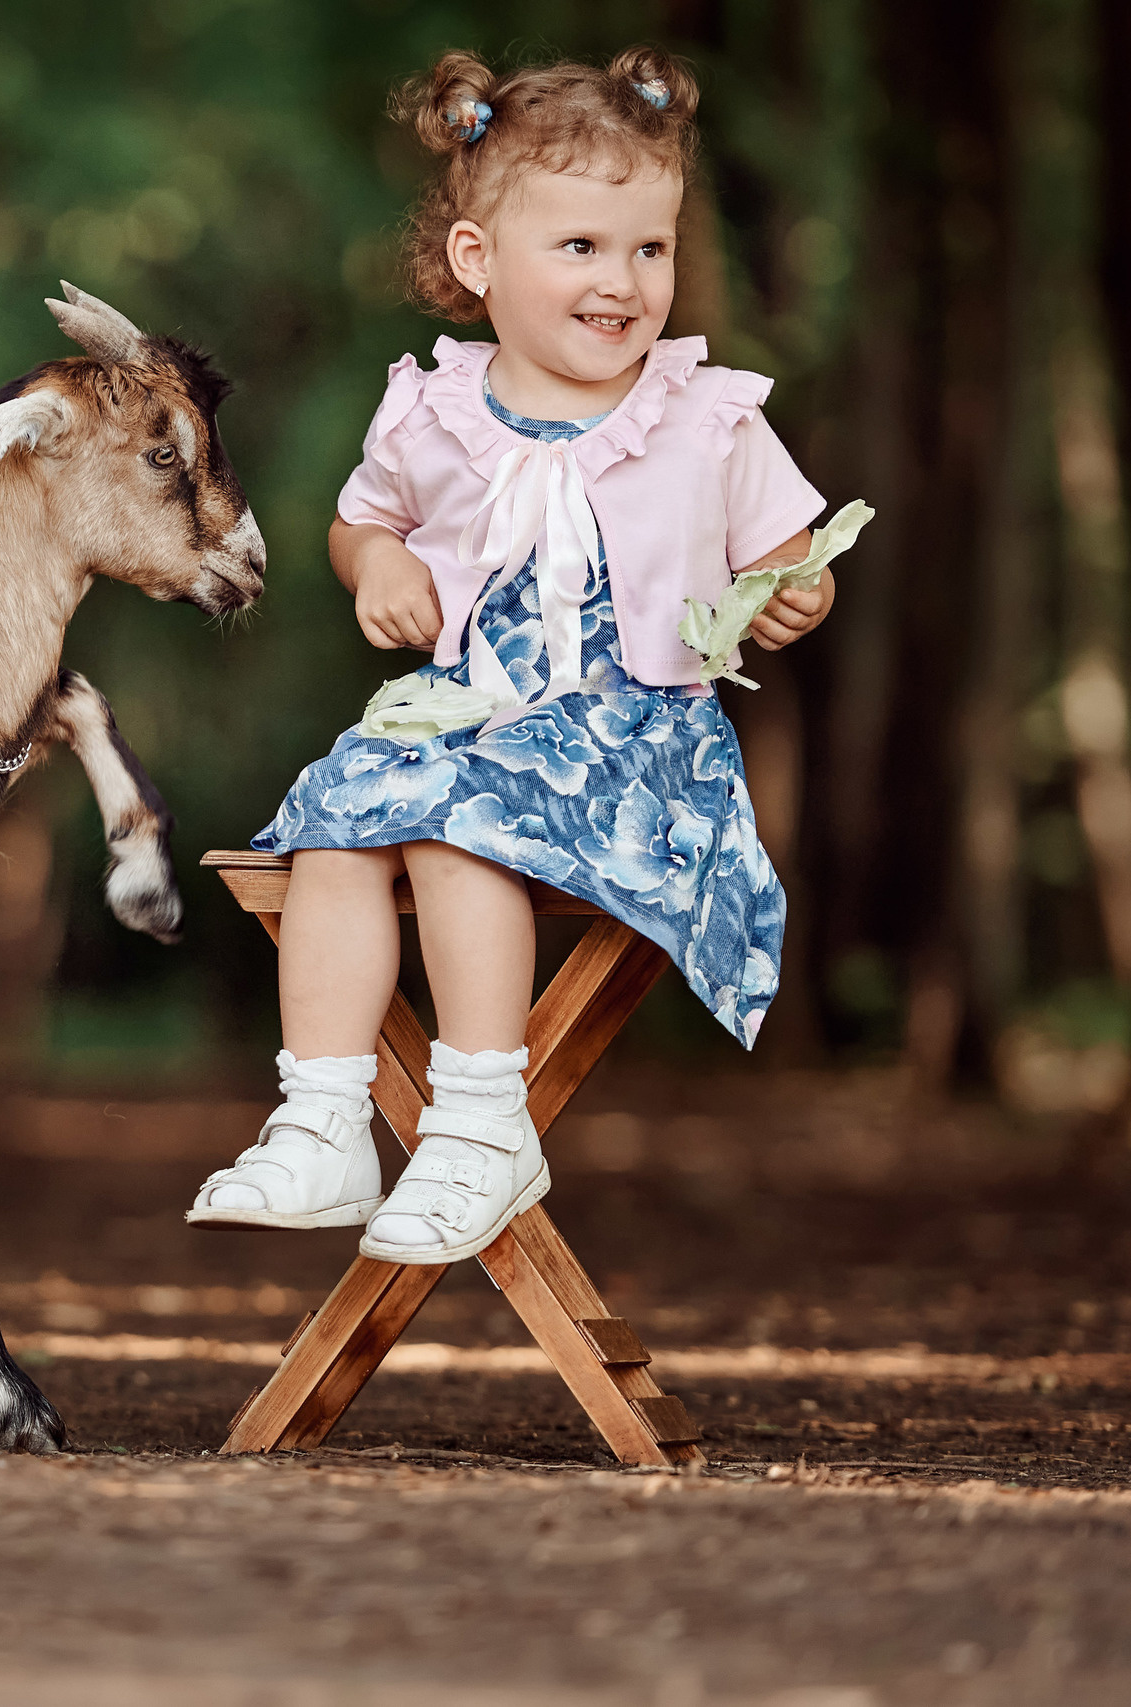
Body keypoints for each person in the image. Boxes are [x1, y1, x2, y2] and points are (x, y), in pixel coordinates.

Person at [189, 45, 840, 1266]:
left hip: (634, 743)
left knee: (453, 817)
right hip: (467, 711)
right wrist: (373, 565)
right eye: (582, 248)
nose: (625, 281)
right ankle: (324, 1116)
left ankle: (483, 1121)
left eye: (649, 248)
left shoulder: (704, 417)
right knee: (334, 815)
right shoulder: (431, 408)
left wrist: (790, 595)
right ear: (476, 260)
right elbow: (360, 520)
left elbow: (792, 553)